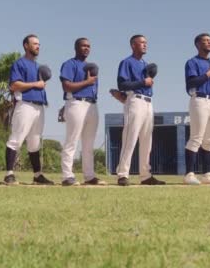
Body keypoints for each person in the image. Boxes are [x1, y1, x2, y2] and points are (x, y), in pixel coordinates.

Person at [3, 34, 54, 185]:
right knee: (16, 139)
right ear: (26, 45)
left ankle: (37, 175)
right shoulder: (20, 63)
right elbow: (14, 85)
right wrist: (35, 84)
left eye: (39, 44)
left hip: (39, 106)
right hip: (25, 104)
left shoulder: (38, 66)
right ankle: (9, 174)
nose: (38, 46)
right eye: (34, 43)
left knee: (35, 142)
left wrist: (40, 85)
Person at [115, 35, 165, 186]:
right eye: (141, 42)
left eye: (146, 43)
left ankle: (145, 175)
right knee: (130, 138)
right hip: (135, 100)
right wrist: (143, 82)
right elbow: (122, 84)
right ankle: (122, 174)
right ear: (133, 45)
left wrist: (147, 82)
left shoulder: (146, 64)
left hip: (148, 102)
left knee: (146, 141)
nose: (145, 45)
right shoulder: (127, 62)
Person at [59, 38, 107, 186]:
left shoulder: (91, 67)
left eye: (88, 46)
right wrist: (87, 82)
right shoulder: (70, 64)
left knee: (88, 144)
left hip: (92, 105)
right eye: (83, 46)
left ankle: (89, 176)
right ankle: (67, 175)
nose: (86, 48)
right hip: (76, 103)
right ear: (76, 48)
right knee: (72, 141)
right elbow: (66, 86)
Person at [183, 33, 210, 185]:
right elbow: (191, 83)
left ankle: (207, 174)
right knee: (196, 137)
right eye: (205, 41)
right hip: (200, 99)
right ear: (197, 44)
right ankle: (189, 174)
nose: (209, 42)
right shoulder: (192, 62)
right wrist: (209, 74)